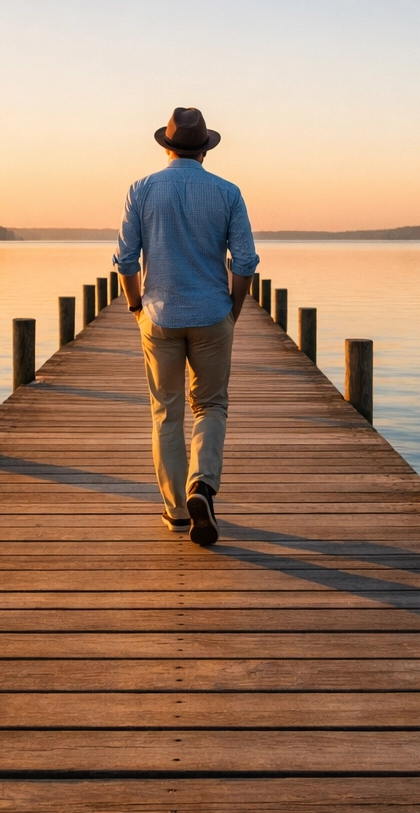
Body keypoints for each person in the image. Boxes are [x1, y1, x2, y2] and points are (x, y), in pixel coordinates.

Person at [114, 107, 258, 545]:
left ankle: (177, 511)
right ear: (204, 152)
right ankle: (202, 486)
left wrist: (136, 304)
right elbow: (246, 261)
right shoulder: (228, 192)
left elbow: (125, 259)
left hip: (158, 315)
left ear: (167, 146)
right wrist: (233, 310)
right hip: (213, 313)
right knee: (211, 406)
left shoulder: (141, 189)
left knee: (166, 413)